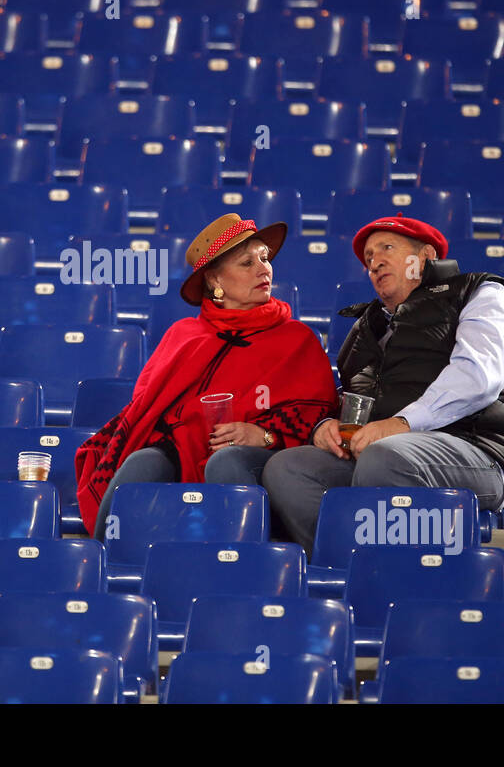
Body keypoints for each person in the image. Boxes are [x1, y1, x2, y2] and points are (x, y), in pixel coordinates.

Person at [261, 215, 504, 554]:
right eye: (369, 258)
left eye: (387, 248)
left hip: (477, 452)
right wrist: (326, 427)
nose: (375, 262)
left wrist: (403, 423)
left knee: (384, 457)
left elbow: (480, 374)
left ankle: (396, 574)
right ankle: (345, 567)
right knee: (289, 468)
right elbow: (349, 399)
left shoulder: (478, 292)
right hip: (382, 456)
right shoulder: (367, 326)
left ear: (426, 255)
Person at [75, 213, 337, 539]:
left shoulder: (298, 337)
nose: (263, 268)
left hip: (266, 455)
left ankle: (241, 566)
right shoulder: (183, 334)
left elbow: (319, 416)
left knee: (225, 463)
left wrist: (265, 434)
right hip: (180, 449)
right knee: (140, 464)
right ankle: (103, 567)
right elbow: (147, 409)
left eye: (264, 258)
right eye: (246, 263)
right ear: (215, 281)